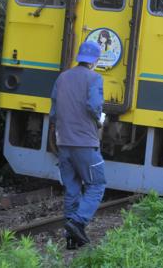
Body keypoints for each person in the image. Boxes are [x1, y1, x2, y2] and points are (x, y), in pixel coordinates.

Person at [49, 40, 106, 249]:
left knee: (72, 189)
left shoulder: (62, 78)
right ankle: (78, 222)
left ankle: (71, 240)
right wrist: (99, 119)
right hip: (85, 143)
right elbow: (94, 106)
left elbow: (53, 112)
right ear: (95, 61)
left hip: (63, 143)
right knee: (96, 184)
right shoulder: (95, 78)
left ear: (80, 58)